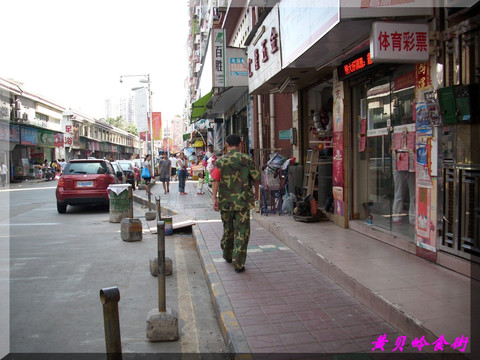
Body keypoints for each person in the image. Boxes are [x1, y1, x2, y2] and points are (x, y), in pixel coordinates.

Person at [211, 134, 260, 273]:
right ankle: (238, 263)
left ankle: (227, 255)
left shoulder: (221, 161)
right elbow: (256, 178)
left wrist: (214, 198)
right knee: (242, 232)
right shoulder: (247, 159)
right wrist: (256, 193)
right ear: (240, 144)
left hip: (226, 202)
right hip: (243, 202)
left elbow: (216, 180)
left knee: (228, 229)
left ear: (226, 144)